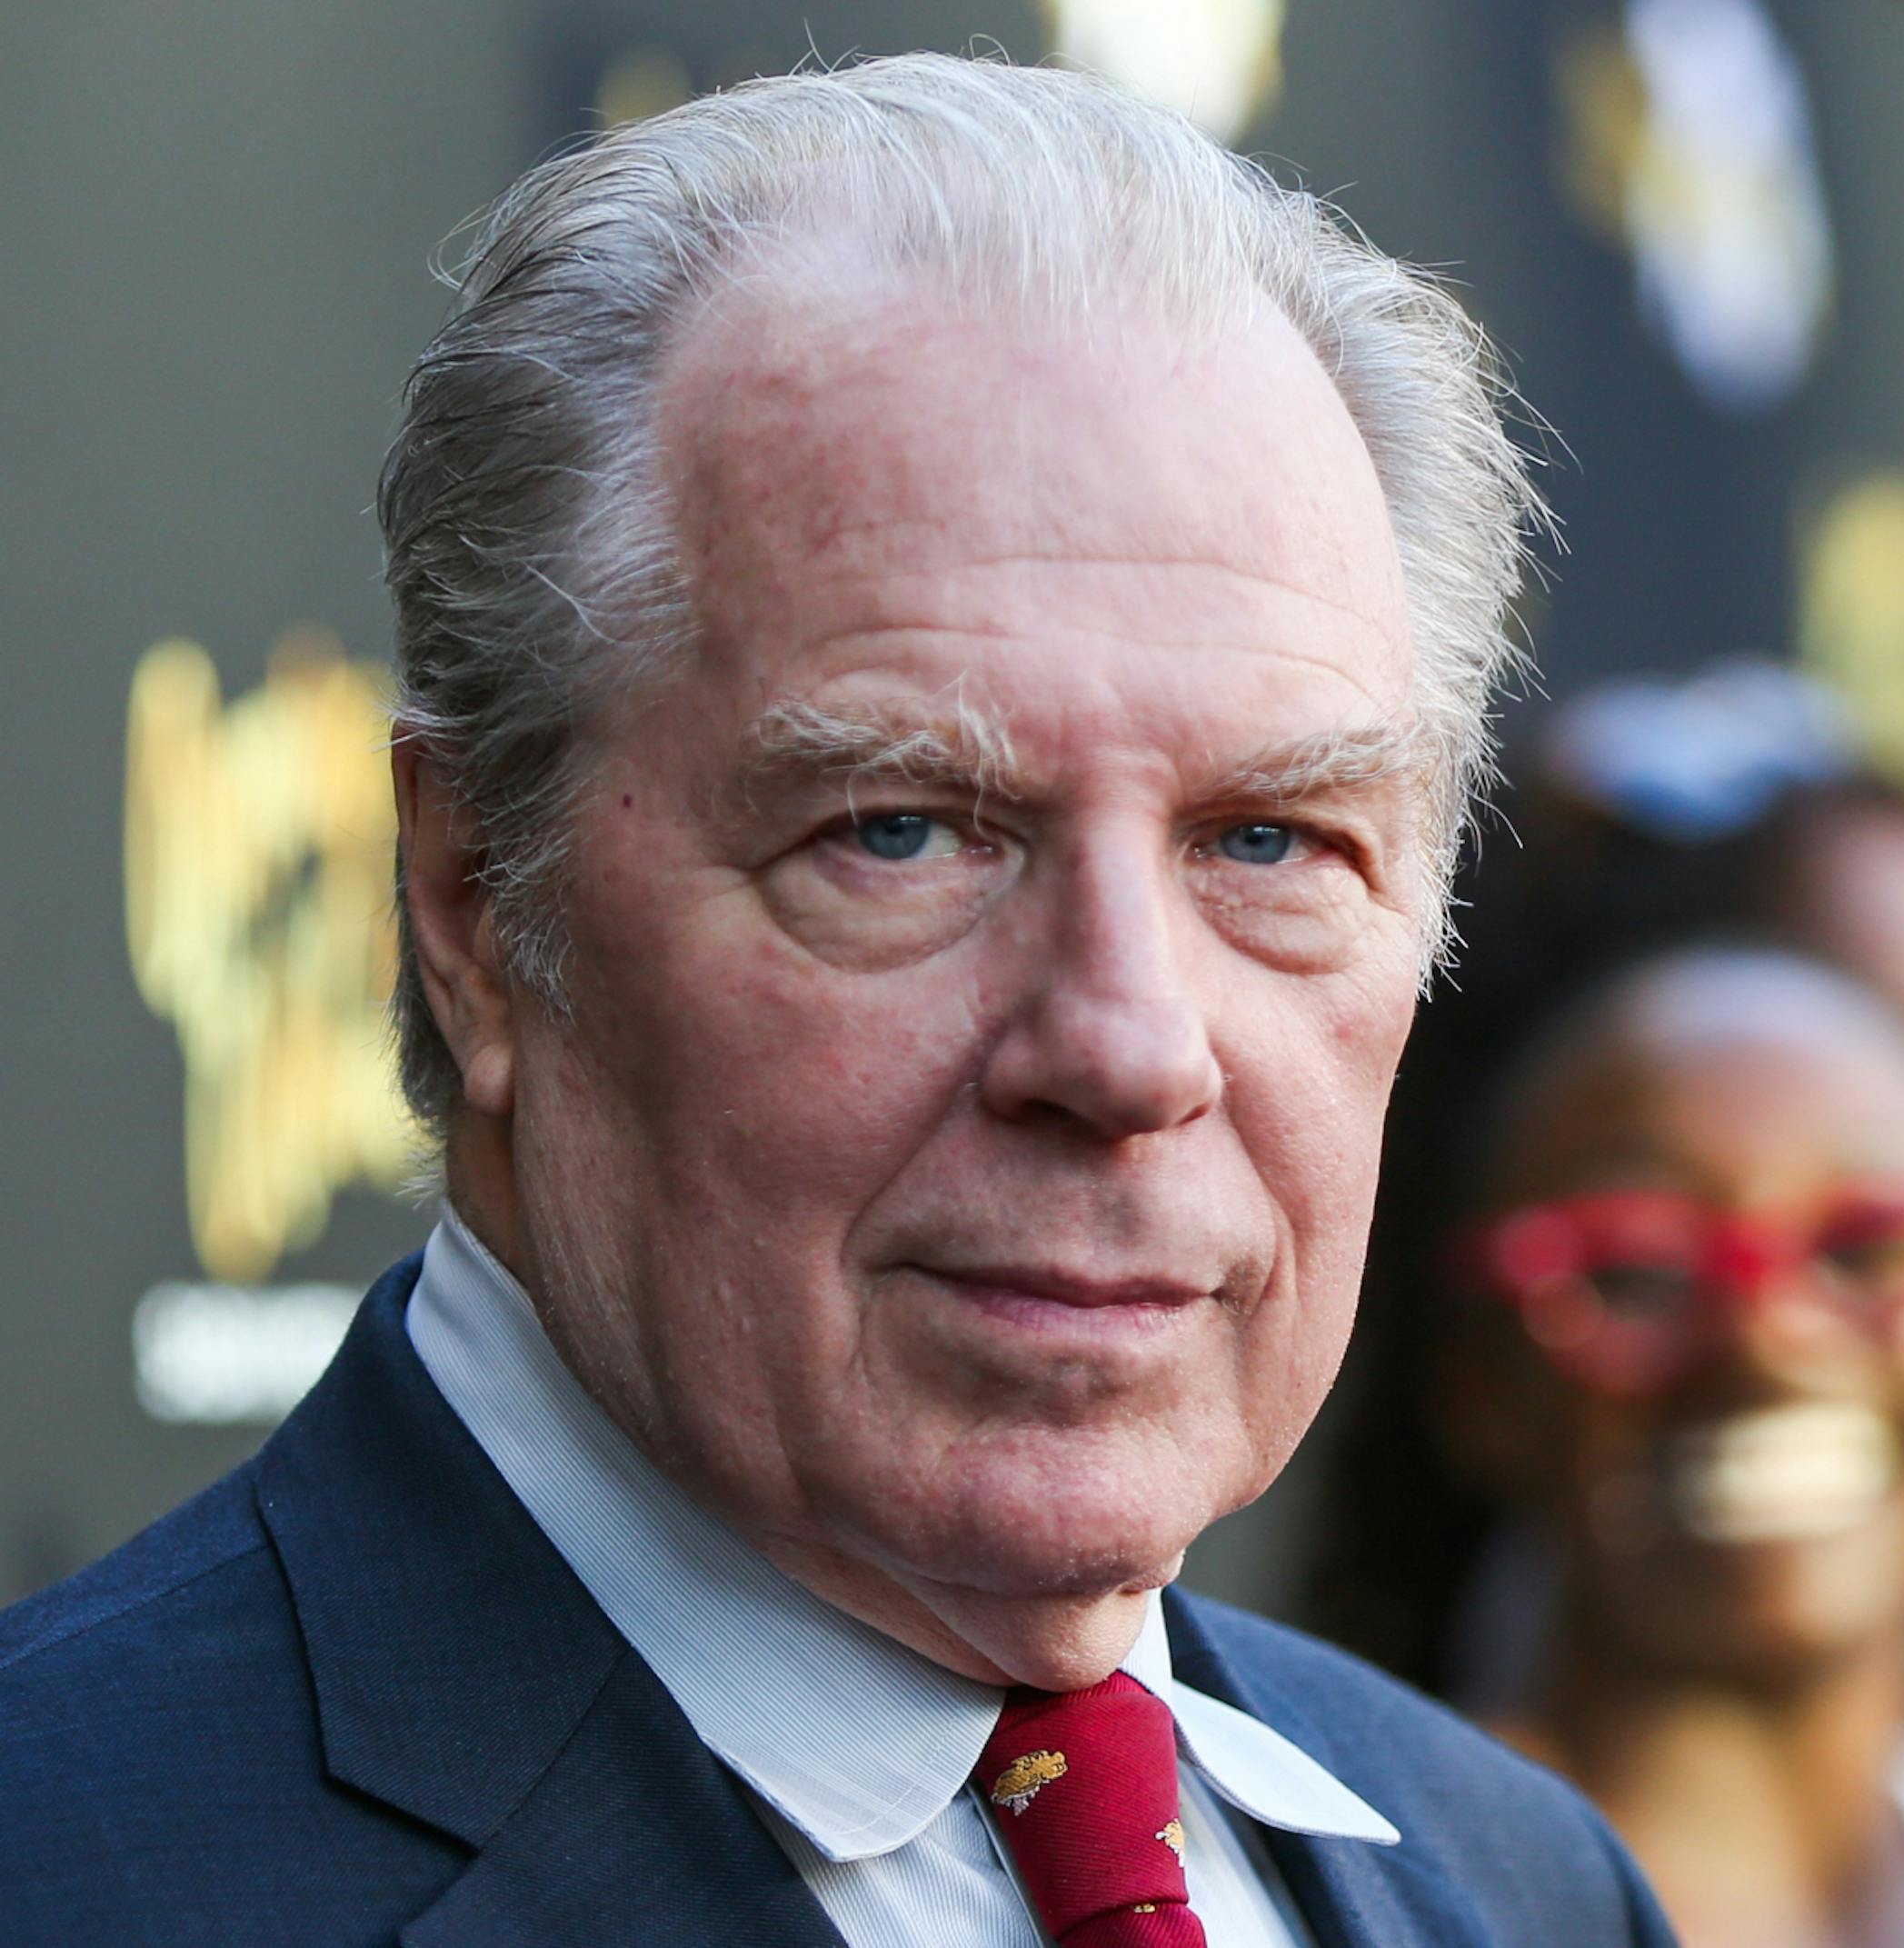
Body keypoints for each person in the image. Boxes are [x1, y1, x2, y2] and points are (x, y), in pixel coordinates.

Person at [0, 53, 1674, 1947]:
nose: (1128, 1046)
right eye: (904, 832)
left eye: (1271, 843)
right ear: (473, 904)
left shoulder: (1527, 1890)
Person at [1361, 945, 1904, 1944]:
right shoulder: (1329, 1900)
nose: (1770, 1338)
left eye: (1868, 1248)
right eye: (1638, 1269)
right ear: (1476, 1383)